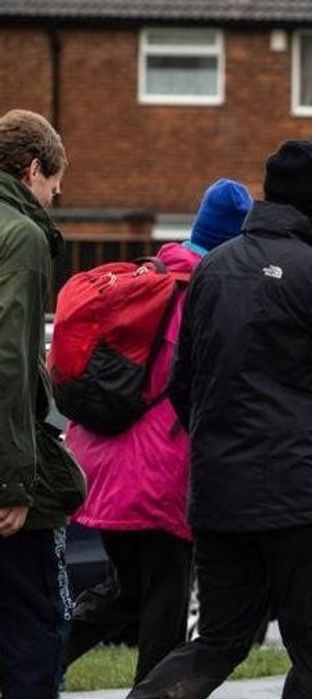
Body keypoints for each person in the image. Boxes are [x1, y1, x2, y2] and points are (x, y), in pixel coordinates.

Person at [129, 140, 312, 699]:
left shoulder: (213, 268)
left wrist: (223, 445)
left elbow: (183, 385)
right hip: (302, 497)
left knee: (218, 639)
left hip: (218, 495)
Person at [62, 179, 253, 684]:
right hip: (161, 473)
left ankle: (33, 661)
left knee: (125, 590)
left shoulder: (154, 273)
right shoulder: (206, 295)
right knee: (165, 605)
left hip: (102, 463)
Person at [0, 108, 85, 699]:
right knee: (39, 631)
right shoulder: (22, 235)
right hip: (10, 485)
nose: (57, 196)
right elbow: (8, 359)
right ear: (33, 170)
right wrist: (14, 482)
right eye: (55, 185)